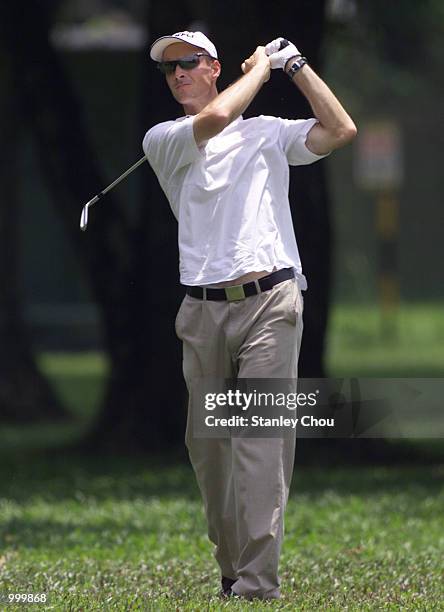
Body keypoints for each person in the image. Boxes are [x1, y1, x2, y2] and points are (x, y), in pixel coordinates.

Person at [143, 30, 356, 600]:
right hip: (202, 311)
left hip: (272, 302)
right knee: (211, 451)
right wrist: (262, 67)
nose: (178, 74)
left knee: (262, 439)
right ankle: (233, 567)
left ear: (213, 67)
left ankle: (258, 584)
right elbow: (213, 118)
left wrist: (295, 66)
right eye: (170, 69)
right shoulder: (164, 138)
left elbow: (341, 130)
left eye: (188, 63)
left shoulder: (266, 133)